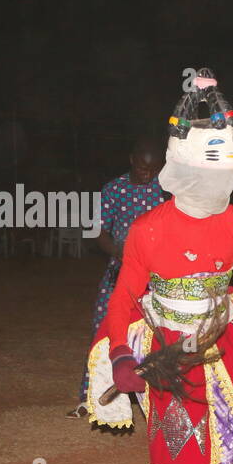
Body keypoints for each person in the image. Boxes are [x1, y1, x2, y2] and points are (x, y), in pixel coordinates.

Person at [85, 69, 233, 464]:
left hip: (226, 339)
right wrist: (122, 353)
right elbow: (123, 296)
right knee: (175, 440)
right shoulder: (148, 230)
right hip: (169, 349)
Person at [69, 138, 166, 417]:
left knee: (161, 335)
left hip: (160, 275)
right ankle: (90, 400)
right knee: (104, 330)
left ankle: (159, 401)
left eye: (153, 169)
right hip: (121, 271)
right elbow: (97, 231)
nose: (148, 174)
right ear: (132, 160)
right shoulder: (113, 190)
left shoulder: (166, 189)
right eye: (143, 167)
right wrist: (121, 254)